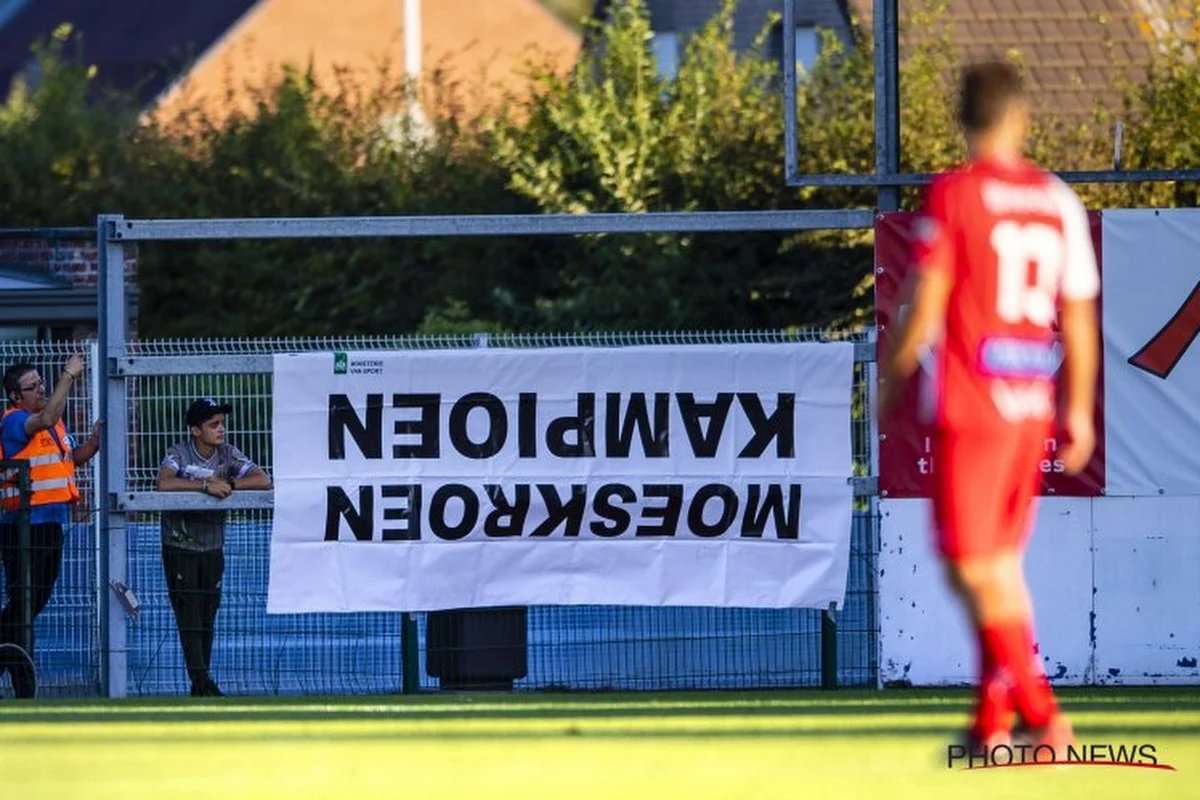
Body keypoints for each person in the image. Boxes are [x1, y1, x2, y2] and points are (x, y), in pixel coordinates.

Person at [879, 60, 1099, 756]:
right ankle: (991, 724)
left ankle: (1041, 716)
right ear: (1019, 118)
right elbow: (1081, 316)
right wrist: (1082, 410)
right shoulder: (1056, 198)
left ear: (963, 119)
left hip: (974, 405)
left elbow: (930, 297)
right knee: (996, 564)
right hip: (1031, 401)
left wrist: (894, 374)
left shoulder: (956, 193)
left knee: (973, 566)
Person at [1, 355, 102, 697]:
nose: (42, 389)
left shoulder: (53, 426)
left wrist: (93, 444)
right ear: (16, 396)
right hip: (22, 526)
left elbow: (67, 458)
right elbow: (47, 417)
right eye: (34, 386)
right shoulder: (15, 421)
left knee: (30, 603)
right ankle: (23, 685)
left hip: (50, 523)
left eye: (43, 383)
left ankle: (17, 674)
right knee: (24, 603)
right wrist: (68, 376)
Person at [156, 397, 271, 697]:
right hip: (179, 545)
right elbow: (164, 483)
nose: (221, 430)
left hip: (212, 546)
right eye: (213, 425)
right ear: (195, 430)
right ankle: (202, 682)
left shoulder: (228, 454)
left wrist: (231, 485)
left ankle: (201, 684)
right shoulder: (178, 454)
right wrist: (204, 486)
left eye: (222, 424)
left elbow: (263, 478)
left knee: (208, 615)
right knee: (189, 616)